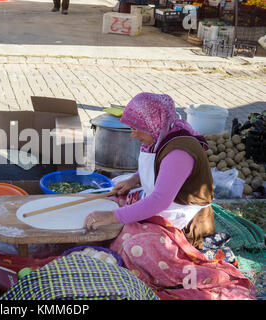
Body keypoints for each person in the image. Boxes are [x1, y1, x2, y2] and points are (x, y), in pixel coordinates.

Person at [83, 93, 255, 300]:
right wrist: (135, 180)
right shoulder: (160, 134)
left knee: (132, 246)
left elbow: (160, 201)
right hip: (162, 202)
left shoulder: (179, 152)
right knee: (108, 204)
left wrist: (114, 216)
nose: (133, 135)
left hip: (183, 219)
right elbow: (159, 170)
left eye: (136, 129)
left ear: (152, 123)